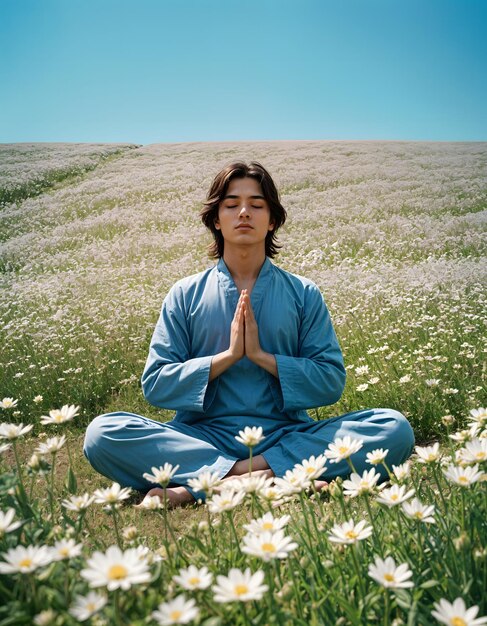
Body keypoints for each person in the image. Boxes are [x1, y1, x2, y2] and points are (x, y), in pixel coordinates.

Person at [83, 161, 414, 506]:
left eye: (256, 205)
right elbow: (156, 383)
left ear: (272, 220)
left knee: (394, 428)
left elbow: (330, 381)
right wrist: (225, 359)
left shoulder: (303, 293)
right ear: (216, 219)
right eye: (231, 205)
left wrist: (262, 358)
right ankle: (262, 475)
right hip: (200, 437)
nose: (244, 212)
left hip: (285, 435)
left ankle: (210, 482)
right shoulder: (184, 293)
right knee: (102, 434)